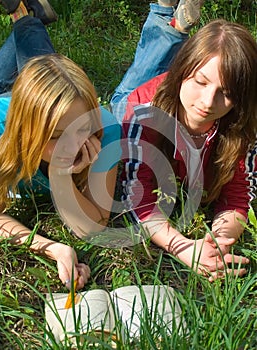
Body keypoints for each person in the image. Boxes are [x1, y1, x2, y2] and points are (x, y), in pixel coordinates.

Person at [111, 1, 257, 280]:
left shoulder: (246, 122)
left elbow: (238, 195)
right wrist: (183, 248)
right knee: (125, 95)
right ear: (183, 73)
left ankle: (171, 24)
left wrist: (218, 243)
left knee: (153, 71)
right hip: (135, 105)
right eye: (200, 82)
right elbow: (137, 198)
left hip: (169, 91)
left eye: (225, 93)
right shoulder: (143, 110)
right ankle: (162, 17)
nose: (207, 102)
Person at [0, 1, 121, 289]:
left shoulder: (107, 131)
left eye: (82, 128)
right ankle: (25, 16)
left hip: (29, 99)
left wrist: (60, 175)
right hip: (9, 104)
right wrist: (51, 248)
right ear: (23, 132)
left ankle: (24, 15)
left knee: (43, 70)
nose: (74, 145)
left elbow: (93, 226)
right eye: (56, 135)